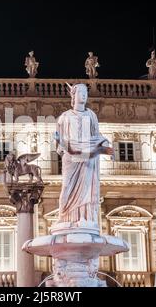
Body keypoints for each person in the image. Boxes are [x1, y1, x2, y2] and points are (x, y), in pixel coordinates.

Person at [55, 84, 113, 225]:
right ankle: (64, 217)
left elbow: (96, 135)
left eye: (85, 92)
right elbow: (59, 142)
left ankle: (85, 218)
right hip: (72, 158)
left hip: (87, 159)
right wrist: (63, 143)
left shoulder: (91, 115)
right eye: (80, 92)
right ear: (73, 95)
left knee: (87, 189)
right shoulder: (65, 117)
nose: (84, 95)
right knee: (67, 188)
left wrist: (104, 145)